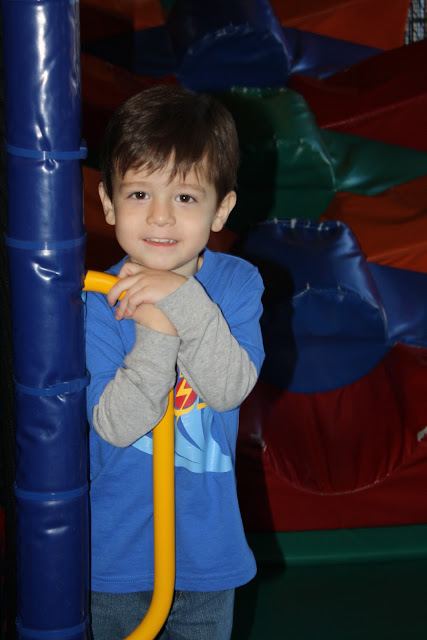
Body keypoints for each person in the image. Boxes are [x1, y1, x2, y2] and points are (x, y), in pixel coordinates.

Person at [86, 84, 265, 640]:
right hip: (114, 560)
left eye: (185, 197)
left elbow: (229, 387)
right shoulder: (96, 299)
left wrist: (180, 301)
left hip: (207, 556)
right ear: (109, 203)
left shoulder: (237, 285)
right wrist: (156, 333)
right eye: (140, 194)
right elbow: (116, 425)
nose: (160, 217)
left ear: (221, 209)